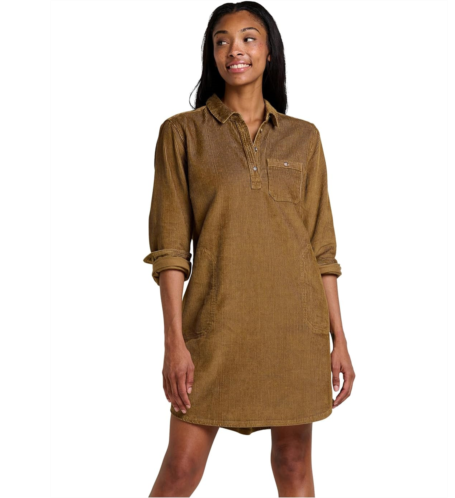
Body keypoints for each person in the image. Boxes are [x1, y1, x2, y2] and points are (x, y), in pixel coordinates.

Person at [144, 2, 356, 496]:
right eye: (222, 40)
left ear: (269, 51)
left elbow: (321, 250)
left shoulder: (303, 138)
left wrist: (340, 340)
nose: (234, 49)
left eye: (248, 38)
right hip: (214, 329)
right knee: (181, 468)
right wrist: (174, 343)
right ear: (212, 54)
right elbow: (170, 249)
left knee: (293, 463)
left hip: (294, 332)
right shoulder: (182, 133)